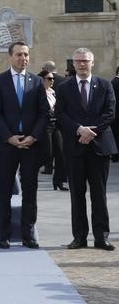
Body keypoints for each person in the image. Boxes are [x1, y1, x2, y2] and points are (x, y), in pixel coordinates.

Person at [55, 48, 117, 251]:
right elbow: (60, 115)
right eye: (78, 61)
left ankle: (101, 237)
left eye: (85, 61)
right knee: (77, 194)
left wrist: (92, 131)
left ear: (93, 62)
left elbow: (110, 113)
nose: (82, 64)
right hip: (75, 147)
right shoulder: (64, 88)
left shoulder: (105, 85)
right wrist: (79, 129)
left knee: (99, 194)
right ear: (73, 64)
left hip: (99, 147)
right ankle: (79, 237)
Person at [0, 42, 49, 249]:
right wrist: (8, 137)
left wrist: (33, 136)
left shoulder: (37, 81)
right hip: (8, 145)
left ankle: (28, 233)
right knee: (4, 189)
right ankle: (4, 234)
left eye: (26, 55)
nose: (23, 58)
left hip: (31, 145)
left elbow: (44, 113)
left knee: (30, 189)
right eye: (19, 55)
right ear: (10, 57)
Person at [40, 69, 67, 190]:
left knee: (61, 153)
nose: (52, 81)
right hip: (45, 126)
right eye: (49, 79)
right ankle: (26, 173)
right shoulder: (37, 93)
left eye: (53, 79)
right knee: (47, 153)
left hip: (56, 125)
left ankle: (59, 181)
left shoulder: (53, 92)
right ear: (42, 80)